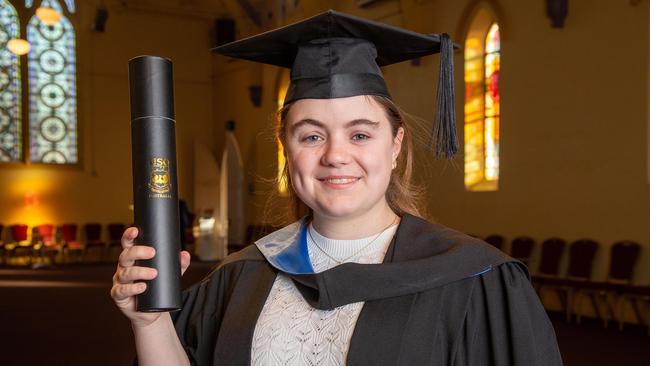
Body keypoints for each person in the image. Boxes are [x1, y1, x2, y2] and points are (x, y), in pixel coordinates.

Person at [111, 10, 563, 366]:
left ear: (395, 145)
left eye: (360, 134)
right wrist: (150, 324)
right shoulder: (241, 276)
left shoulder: (476, 279)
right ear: (285, 147)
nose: (335, 155)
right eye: (311, 135)